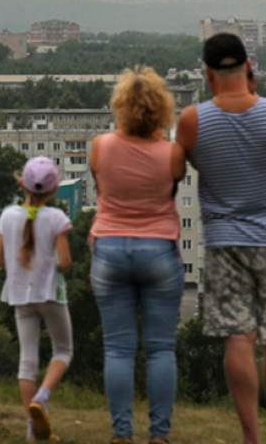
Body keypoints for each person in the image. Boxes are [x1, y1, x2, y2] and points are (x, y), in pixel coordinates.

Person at [176, 33, 266, 444]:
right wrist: (255, 94)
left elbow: (180, 165)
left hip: (224, 242)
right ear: (249, 67)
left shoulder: (193, 120)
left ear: (207, 73)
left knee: (239, 337)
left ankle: (250, 437)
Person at [89, 66, 186, 444]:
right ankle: (159, 435)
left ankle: (121, 434)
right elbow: (171, 185)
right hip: (159, 249)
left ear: (121, 107)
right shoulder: (172, 153)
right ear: (161, 110)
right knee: (161, 349)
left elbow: (101, 183)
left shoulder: (102, 146)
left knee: (118, 348)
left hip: (110, 249)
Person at [0, 156, 73, 442]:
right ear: (53, 190)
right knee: (63, 351)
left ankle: (31, 428)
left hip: (19, 297)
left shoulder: (8, 216)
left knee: (27, 362)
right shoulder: (57, 219)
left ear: (22, 183)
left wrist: (18, 266)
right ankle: (43, 396)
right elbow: (65, 262)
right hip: (51, 294)